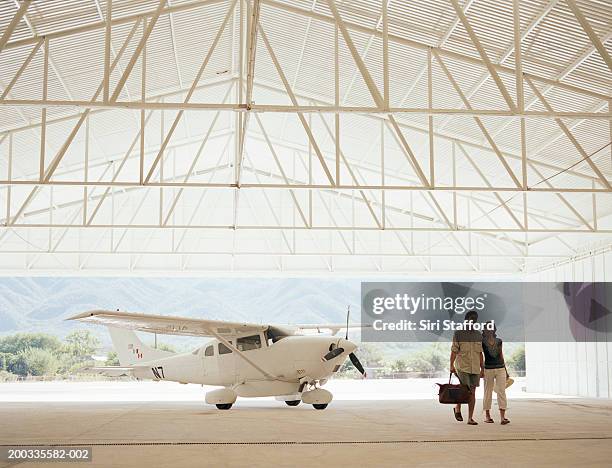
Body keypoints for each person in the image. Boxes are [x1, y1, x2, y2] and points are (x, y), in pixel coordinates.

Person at [450, 310, 484, 425]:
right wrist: (451, 365)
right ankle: (458, 408)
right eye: (470, 319)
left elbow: (480, 353)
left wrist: (482, 369)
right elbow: (454, 351)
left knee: (473, 392)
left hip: (475, 368)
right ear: (466, 320)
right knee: (463, 390)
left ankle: (470, 418)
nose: (472, 321)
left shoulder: (478, 335)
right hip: (462, 367)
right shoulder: (458, 333)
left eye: (474, 320)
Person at [482, 322, 510, 425]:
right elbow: (480, 356)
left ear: (494, 329)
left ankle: (503, 418)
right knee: (487, 392)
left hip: (500, 368)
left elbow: (501, 355)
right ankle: (487, 416)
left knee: (501, 391)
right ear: (484, 330)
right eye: (487, 328)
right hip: (488, 369)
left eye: (491, 328)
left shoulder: (499, 341)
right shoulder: (482, 341)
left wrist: (506, 370)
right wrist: (481, 369)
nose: (489, 330)